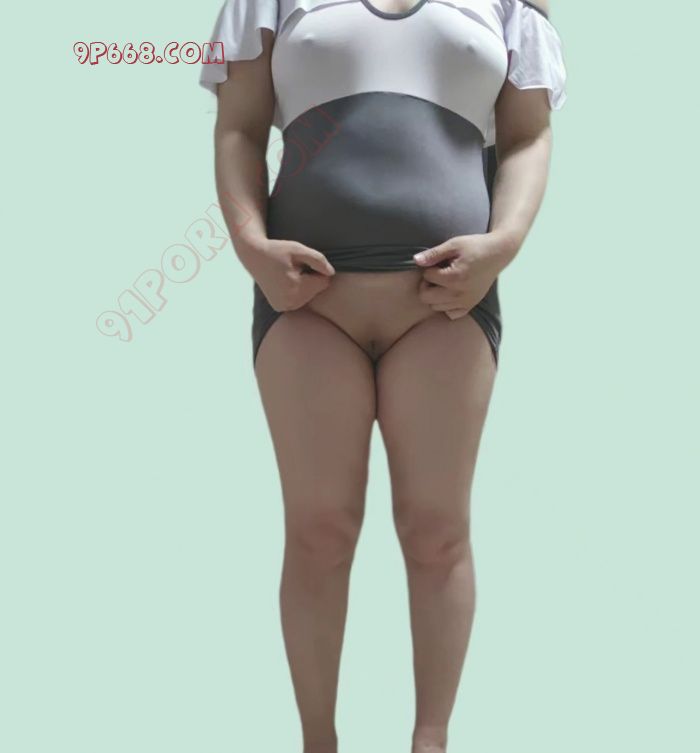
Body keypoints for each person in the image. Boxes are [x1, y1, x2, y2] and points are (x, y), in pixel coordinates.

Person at [199, 1, 567, 750]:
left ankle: (430, 741)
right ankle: (318, 741)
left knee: (437, 531)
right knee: (319, 531)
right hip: (307, 302)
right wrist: (251, 248)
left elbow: (529, 134)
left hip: (446, 305)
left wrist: (504, 243)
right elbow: (239, 126)